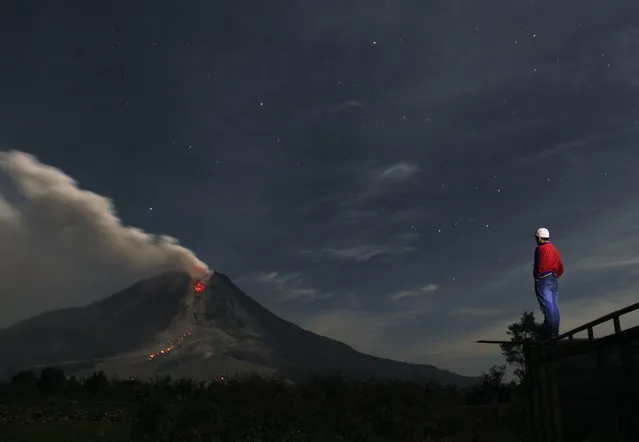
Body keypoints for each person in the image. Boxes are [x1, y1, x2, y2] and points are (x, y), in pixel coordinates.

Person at [533, 227, 564, 339]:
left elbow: (538, 266)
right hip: (554, 279)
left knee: (548, 306)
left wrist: (538, 277)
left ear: (540, 237)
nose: (536, 239)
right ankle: (555, 332)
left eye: (537, 237)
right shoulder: (555, 249)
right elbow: (560, 268)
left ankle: (550, 334)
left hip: (543, 279)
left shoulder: (539, 249)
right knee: (554, 306)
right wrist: (554, 276)